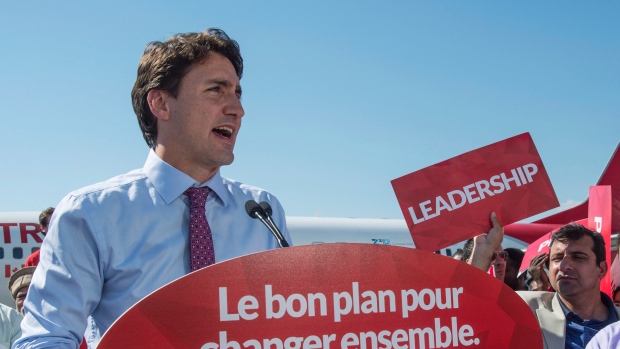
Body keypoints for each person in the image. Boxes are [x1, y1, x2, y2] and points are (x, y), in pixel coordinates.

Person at [15, 28, 291, 349]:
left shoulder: (262, 212)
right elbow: (46, 338)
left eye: (238, 93)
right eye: (216, 90)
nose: (237, 109)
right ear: (161, 104)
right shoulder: (91, 214)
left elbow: (287, 328)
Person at [517, 224, 620, 349]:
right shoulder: (524, 308)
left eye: (578, 257)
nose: (564, 265)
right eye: (557, 258)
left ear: (602, 269)